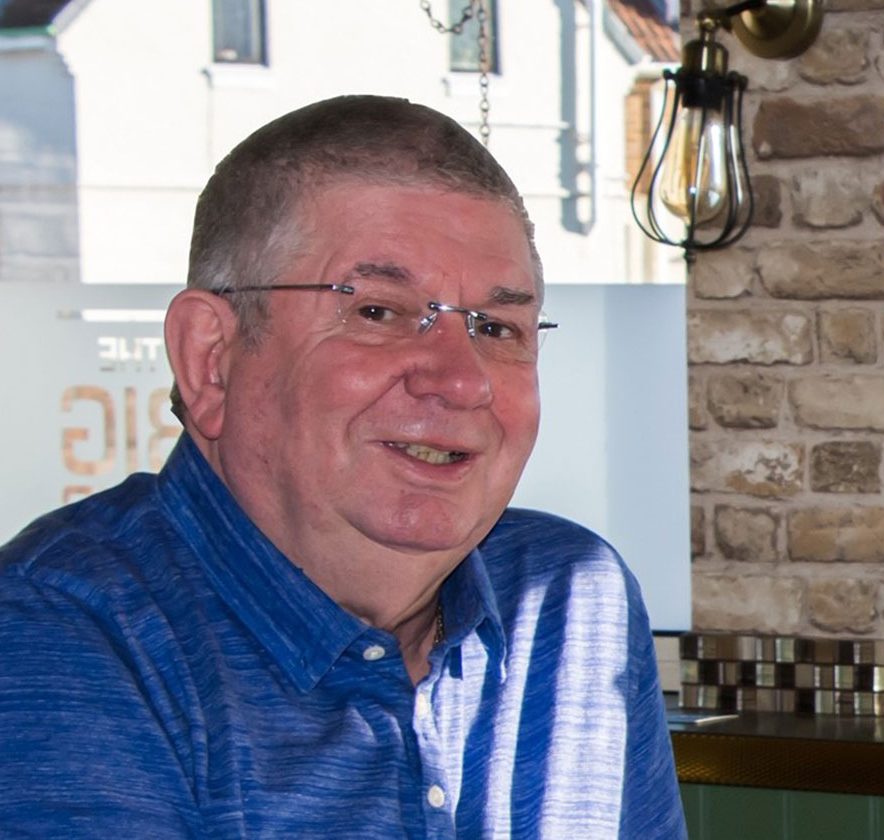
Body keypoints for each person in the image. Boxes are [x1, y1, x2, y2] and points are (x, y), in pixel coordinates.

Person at [0, 95, 686, 838]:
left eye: (496, 327)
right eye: (378, 313)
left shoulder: (570, 602)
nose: (462, 379)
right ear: (211, 361)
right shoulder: (60, 635)